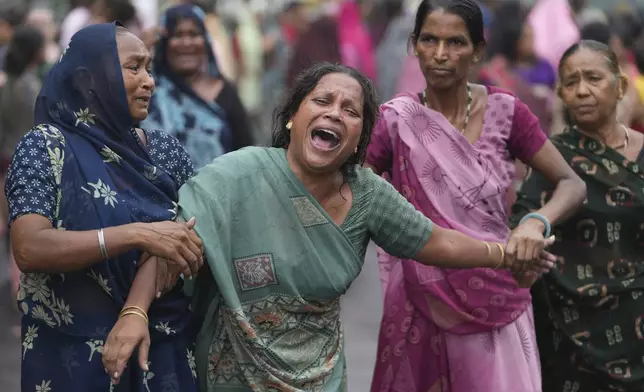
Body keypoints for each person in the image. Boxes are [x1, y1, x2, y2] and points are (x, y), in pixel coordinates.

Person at [101, 61, 557, 391]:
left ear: (360, 136)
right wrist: (134, 313)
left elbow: (434, 241)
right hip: (234, 373)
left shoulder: (367, 195)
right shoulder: (236, 175)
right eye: (322, 101)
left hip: (322, 376)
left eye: (350, 110)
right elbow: (173, 245)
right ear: (295, 116)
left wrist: (506, 251)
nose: (335, 113)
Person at [365, 1, 587, 391]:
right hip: (420, 300)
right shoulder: (395, 121)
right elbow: (355, 189)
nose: (440, 54)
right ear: (414, 45)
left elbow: (571, 183)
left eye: (455, 42)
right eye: (429, 40)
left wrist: (535, 222)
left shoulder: (506, 111)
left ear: (477, 51)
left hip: (497, 295)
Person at [5, 23, 203, 391]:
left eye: (149, 68)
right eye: (134, 68)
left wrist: (136, 310)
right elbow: (30, 248)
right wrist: (136, 235)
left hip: (161, 350)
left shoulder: (165, 152)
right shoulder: (46, 147)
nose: (149, 81)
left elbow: (183, 241)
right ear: (88, 78)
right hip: (71, 356)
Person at [513, 40, 644, 392]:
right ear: (561, 94)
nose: (582, 90)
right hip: (570, 338)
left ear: (620, 86)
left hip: (637, 327)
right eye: (571, 83)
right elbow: (522, 224)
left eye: (593, 78)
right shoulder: (552, 158)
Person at [142, 5, 253, 170]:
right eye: (177, 35)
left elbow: (247, 154)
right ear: (164, 42)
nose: (186, 43)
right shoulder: (148, 91)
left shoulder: (225, 92)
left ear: (205, 40)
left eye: (194, 34)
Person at [0, 25, 46, 297]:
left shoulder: (9, 84)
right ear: (36, 51)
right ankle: (23, 294)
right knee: (26, 230)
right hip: (28, 166)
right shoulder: (31, 88)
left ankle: (14, 289)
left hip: (6, 164)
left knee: (12, 231)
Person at [481, 0, 555, 131]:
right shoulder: (498, 70)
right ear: (515, 41)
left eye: (533, 36)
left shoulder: (544, 66)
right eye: (526, 38)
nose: (531, 42)